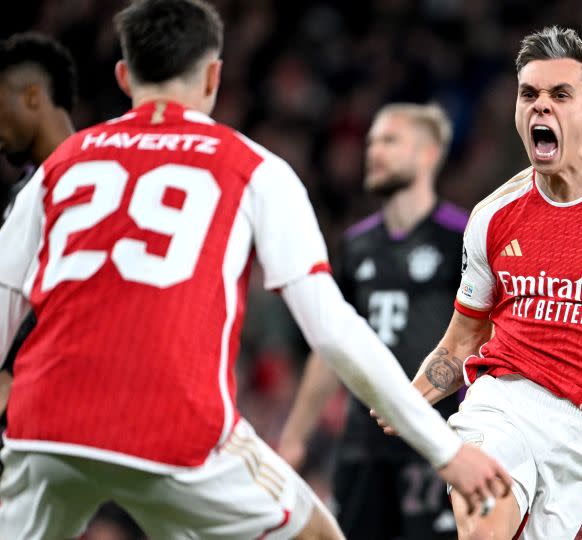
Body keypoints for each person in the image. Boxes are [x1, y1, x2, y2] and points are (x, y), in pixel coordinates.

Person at [0, 1, 509, 539]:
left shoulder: (61, 164)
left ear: (124, 76)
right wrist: (446, 450)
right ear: (214, 76)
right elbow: (332, 330)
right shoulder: (253, 167)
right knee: (317, 534)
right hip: (176, 431)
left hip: (45, 427)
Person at [373, 26, 582, 539]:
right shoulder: (492, 215)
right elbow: (463, 341)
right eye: (529, 95)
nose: (540, 107)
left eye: (560, 95)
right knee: (486, 525)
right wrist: (410, 398)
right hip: (503, 404)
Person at [278, 102, 468, 540]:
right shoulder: (356, 245)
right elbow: (330, 347)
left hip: (437, 441)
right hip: (362, 446)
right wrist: (294, 438)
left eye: (389, 140)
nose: (373, 151)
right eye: (371, 142)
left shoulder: (462, 237)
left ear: (428, 153)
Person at [0, 32, 77, 420]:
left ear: (32, 97)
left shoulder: (88, 182)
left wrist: (13, 372)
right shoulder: (23, 192)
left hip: (55, 397)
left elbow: (77, 285)